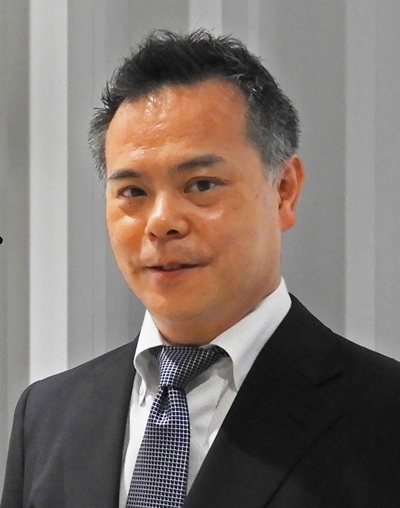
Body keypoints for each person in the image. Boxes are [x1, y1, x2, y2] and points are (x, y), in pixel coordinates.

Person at [2, 30, 400, 508]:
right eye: (133, 192)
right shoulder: (47, 416)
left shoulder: (383, 413)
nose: (162, 222)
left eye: (201, 184)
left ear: (284, 190)